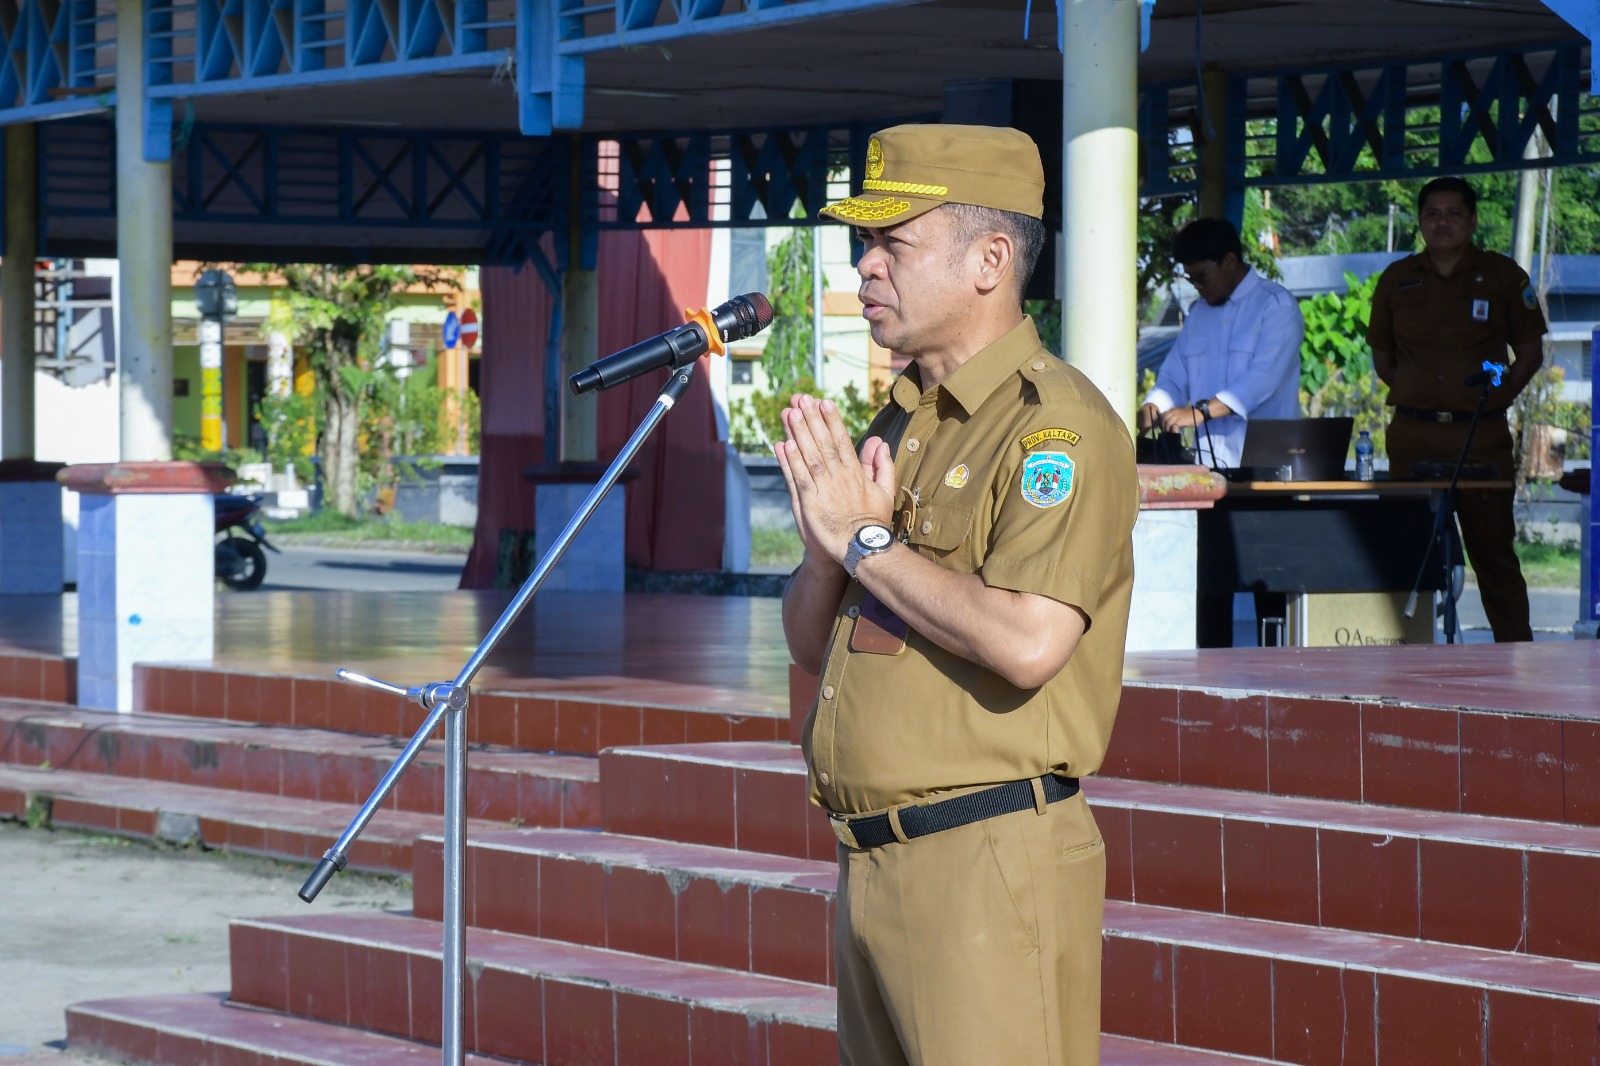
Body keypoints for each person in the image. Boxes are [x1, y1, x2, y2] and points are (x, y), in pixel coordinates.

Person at [775, 123, 1138, 1066]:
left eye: (893, 244)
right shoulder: (903, 419)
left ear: (990, 261)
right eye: (865, 244)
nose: (866, 267)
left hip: (985, 857)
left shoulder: (1056, 429)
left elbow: (1027, 641)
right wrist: (828, 552)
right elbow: (810, 644)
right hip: (873, 856)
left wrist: (865, 542)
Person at [1367, 176, 1546, 642]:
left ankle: (1516, 656)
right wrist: (1420, 393)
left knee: (1494, 556)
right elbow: (1383, 359)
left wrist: (1497, 396)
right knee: (1408, 552)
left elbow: (1530, 353)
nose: (1441, 223)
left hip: (1481, 435)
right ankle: (1408, 655)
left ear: (1472, 220)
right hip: (1414, 434)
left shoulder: (1503, 276)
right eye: (1432, 214)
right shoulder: (1396, 278)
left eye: (1453, 214)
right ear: (1419, 222)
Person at [1138, 217, 1305, 469]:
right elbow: (1173, 379)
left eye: (1202, 276)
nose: (1197, 286)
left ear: (1229, 261)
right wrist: (1152, 408)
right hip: (1206, 467)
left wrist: (1200, 413)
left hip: (1269, 468)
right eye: (1190, 279)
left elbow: (1262, 380)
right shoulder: (1198, 314)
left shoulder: (1276, 306)